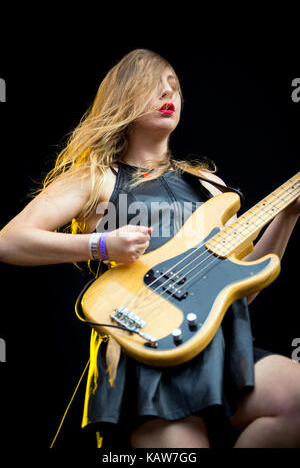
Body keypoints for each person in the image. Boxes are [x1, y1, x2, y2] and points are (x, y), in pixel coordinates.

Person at [0, 49, 299, 449]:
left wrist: (289, 216)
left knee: (294, 402)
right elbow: (9, 240)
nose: (167, 91)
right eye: (153, 84)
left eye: (173, 85)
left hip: (214, 343)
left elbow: (239, 291)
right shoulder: (97, 177)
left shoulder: (209, 185)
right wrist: (102, 244)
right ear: (122, 98)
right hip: (143, 345)